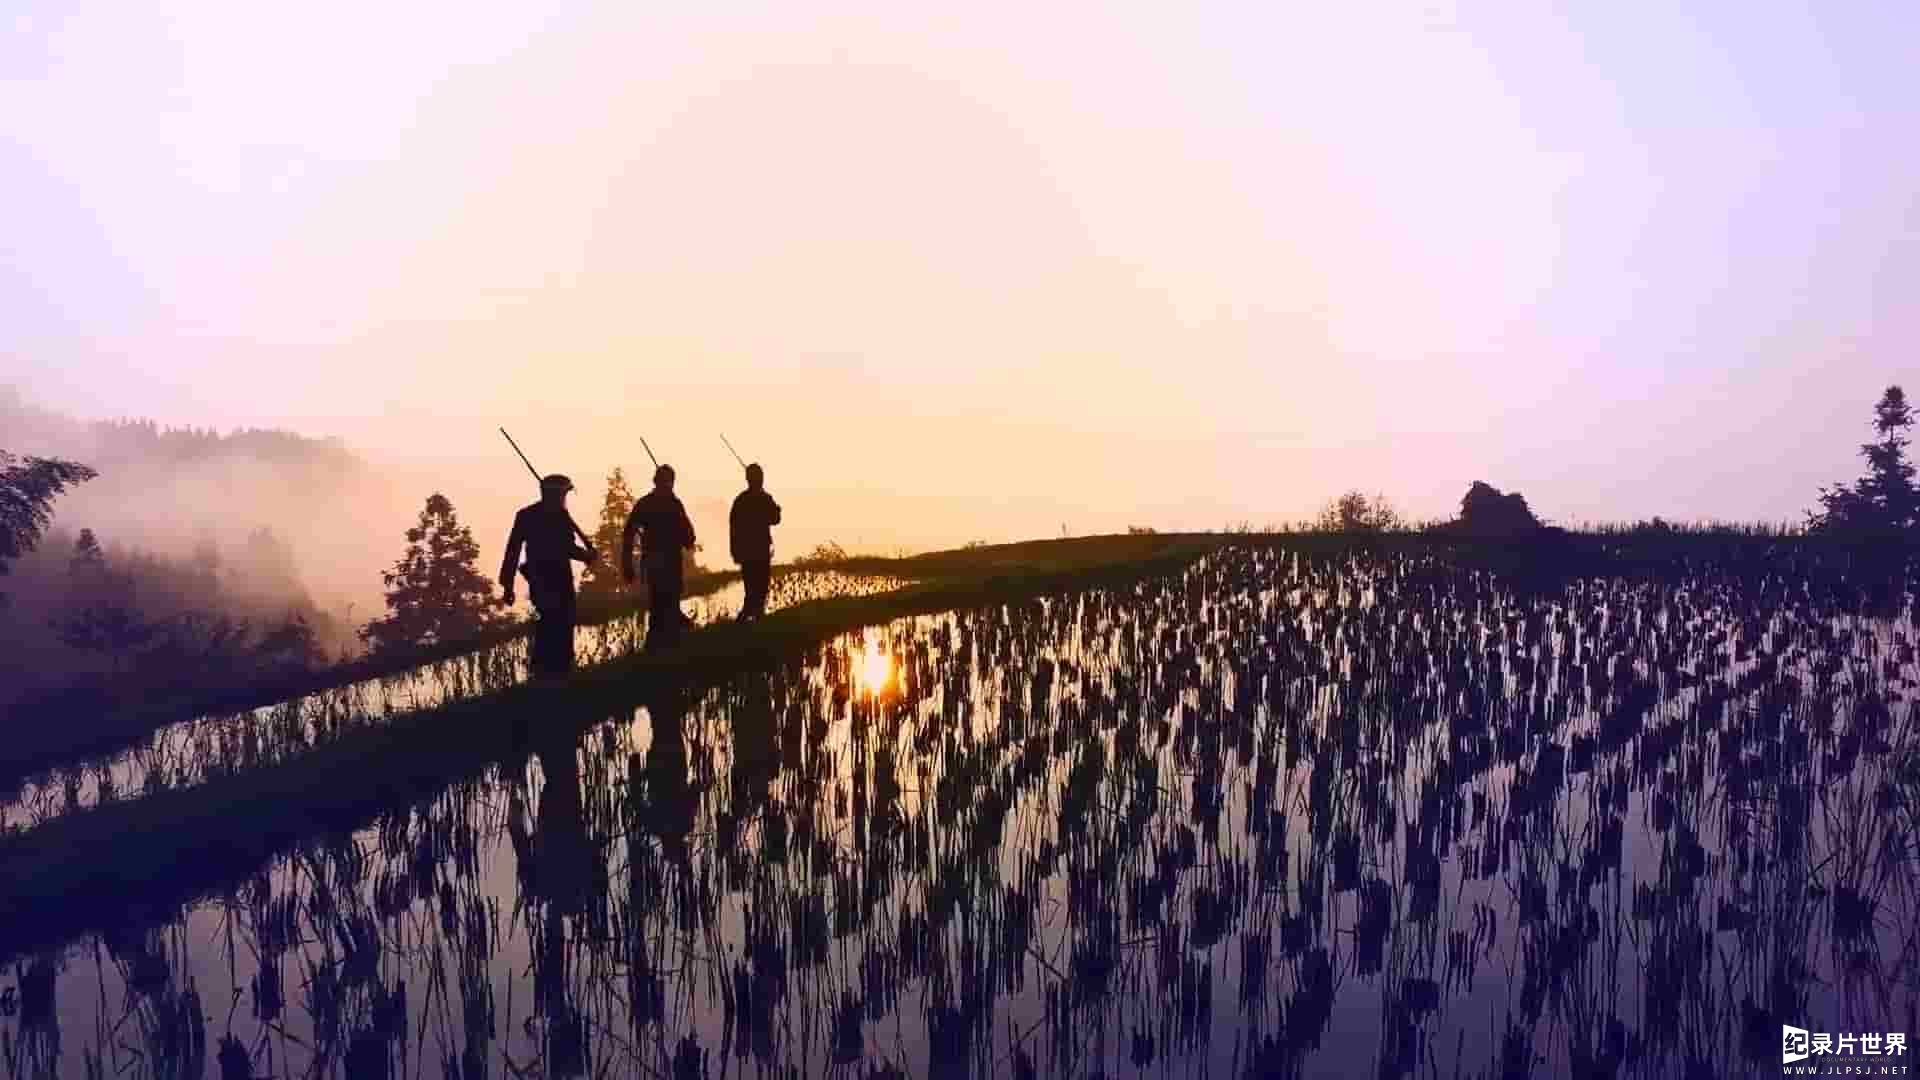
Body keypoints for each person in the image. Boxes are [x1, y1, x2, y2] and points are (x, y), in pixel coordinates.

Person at [501, 474, 597, 678]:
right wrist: (587, 556)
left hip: (538, 581)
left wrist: (508, 586)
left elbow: (512, 552)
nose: (565, 498)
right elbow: (567, 548)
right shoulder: (559, 517)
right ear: (558, 494)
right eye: (564, 494)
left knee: (549, 622)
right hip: (558, 580)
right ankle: (558, 671)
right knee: (560, 622)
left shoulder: (526, 515)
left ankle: (546, 672)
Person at [622, 464, 697, 652]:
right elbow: (689, 536)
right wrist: (627, 565)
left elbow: (629, 532)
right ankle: (662, 650)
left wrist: (627, 564)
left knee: (662, 606)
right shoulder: (673, 504)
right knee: (664, 607)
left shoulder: (648, 503)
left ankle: (660, 649)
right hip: (667, 564)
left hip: (657, 564)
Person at [728, 463, 782, 622]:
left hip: (746, 552)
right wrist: (777, 509)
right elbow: (775, 519)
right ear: (760, 479)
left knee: (751, 587)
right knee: (760, 587)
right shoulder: (765, 498)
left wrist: (735, 551)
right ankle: (754, 617)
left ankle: (748, 617)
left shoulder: (740, 500)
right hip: (761, 550)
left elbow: (733, 527)